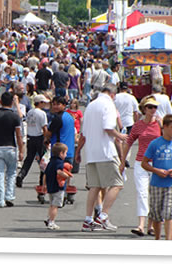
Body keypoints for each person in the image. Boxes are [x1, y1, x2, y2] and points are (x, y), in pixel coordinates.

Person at [75, 83, 128, 232]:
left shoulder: (91, 106)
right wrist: (120, 136)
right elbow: (108, 127)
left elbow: (83, 134)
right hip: (105, 151)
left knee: (95, 186)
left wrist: (79, 151)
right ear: (112, 94)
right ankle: (103, 216)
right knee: (117, 183)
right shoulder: (109, 105)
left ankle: (88, 219)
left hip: (91, 153)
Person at [141, 114, 172, 240]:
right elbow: (144, 163)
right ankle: (157, 238)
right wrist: (156, 170)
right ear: (164, 127)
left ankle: (168, 240)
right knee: (156, 215)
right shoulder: (155, 144)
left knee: (169, 213)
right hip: (156, 183)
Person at [121, 95, 162, 237]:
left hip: (157, 163)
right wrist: (122, 161)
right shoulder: (138, 125)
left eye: (155, 107)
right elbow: (128, 142)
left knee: (155, 194)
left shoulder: (160, 123)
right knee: (142, 193)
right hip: (141, 162)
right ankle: (141, 225)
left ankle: (151, 226)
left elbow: (170, 139)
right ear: (144, 109)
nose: (153, 109)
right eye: (150, 107)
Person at [0, 92, 24, 207]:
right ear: (12, 102)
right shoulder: (15, 116)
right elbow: (18, 135)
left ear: (0, 102)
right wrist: (21, 150)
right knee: (11, 173)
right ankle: (9, 196)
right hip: (11, 147)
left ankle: (0, 200)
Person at [16, 94, 49, 187]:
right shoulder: (42, 113)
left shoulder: (30, 112)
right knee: (43, 160)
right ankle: (42, 180)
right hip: (39, 137)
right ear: (40, 103)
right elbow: (44, 128)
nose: (45, 105)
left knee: (29, 158)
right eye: (43, 103)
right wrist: (47, 139)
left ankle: (21, 175)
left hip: (30, 137)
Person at [43, 143, 71, 230]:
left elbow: (45, 174)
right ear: (61, 153)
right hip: (58, 187)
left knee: (52, 204)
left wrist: (44, 185)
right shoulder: (59, 162)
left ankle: (48, 218)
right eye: (65, 153)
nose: (66, 155)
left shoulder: (51, 162)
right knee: (56, 205)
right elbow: (59, 172)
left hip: (50, 186)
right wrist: (67, 175)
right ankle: (51, 221)